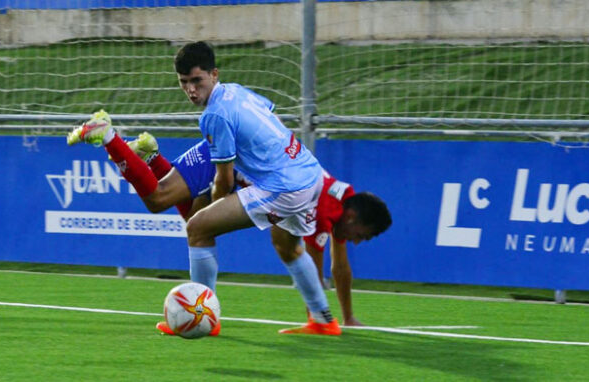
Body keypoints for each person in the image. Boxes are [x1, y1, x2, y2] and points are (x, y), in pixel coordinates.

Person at [68, 41, 347, 336]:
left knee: (197, 227)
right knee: (286, 244)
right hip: (308, 171)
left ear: (214, 74)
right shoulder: (236, 91)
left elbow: (224, 181)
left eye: (197, 81)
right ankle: (323, 318)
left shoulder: (214, 115)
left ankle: (203, 317)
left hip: (283, 184)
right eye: (184, 83)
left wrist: (211, 213)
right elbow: (270, 117)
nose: (191, 90)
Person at [119, 133, 390, 327]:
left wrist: (347, 317)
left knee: (201, 223)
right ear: (353, 217)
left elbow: (340, 267)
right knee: (175, 210)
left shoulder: (342, 201)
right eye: (361, 236)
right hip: (224, 160)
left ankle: (152, 156)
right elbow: (316, 261)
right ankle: (117, 142)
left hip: (250, 174)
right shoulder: (324, 209)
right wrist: (321, 316)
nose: (356, 242)